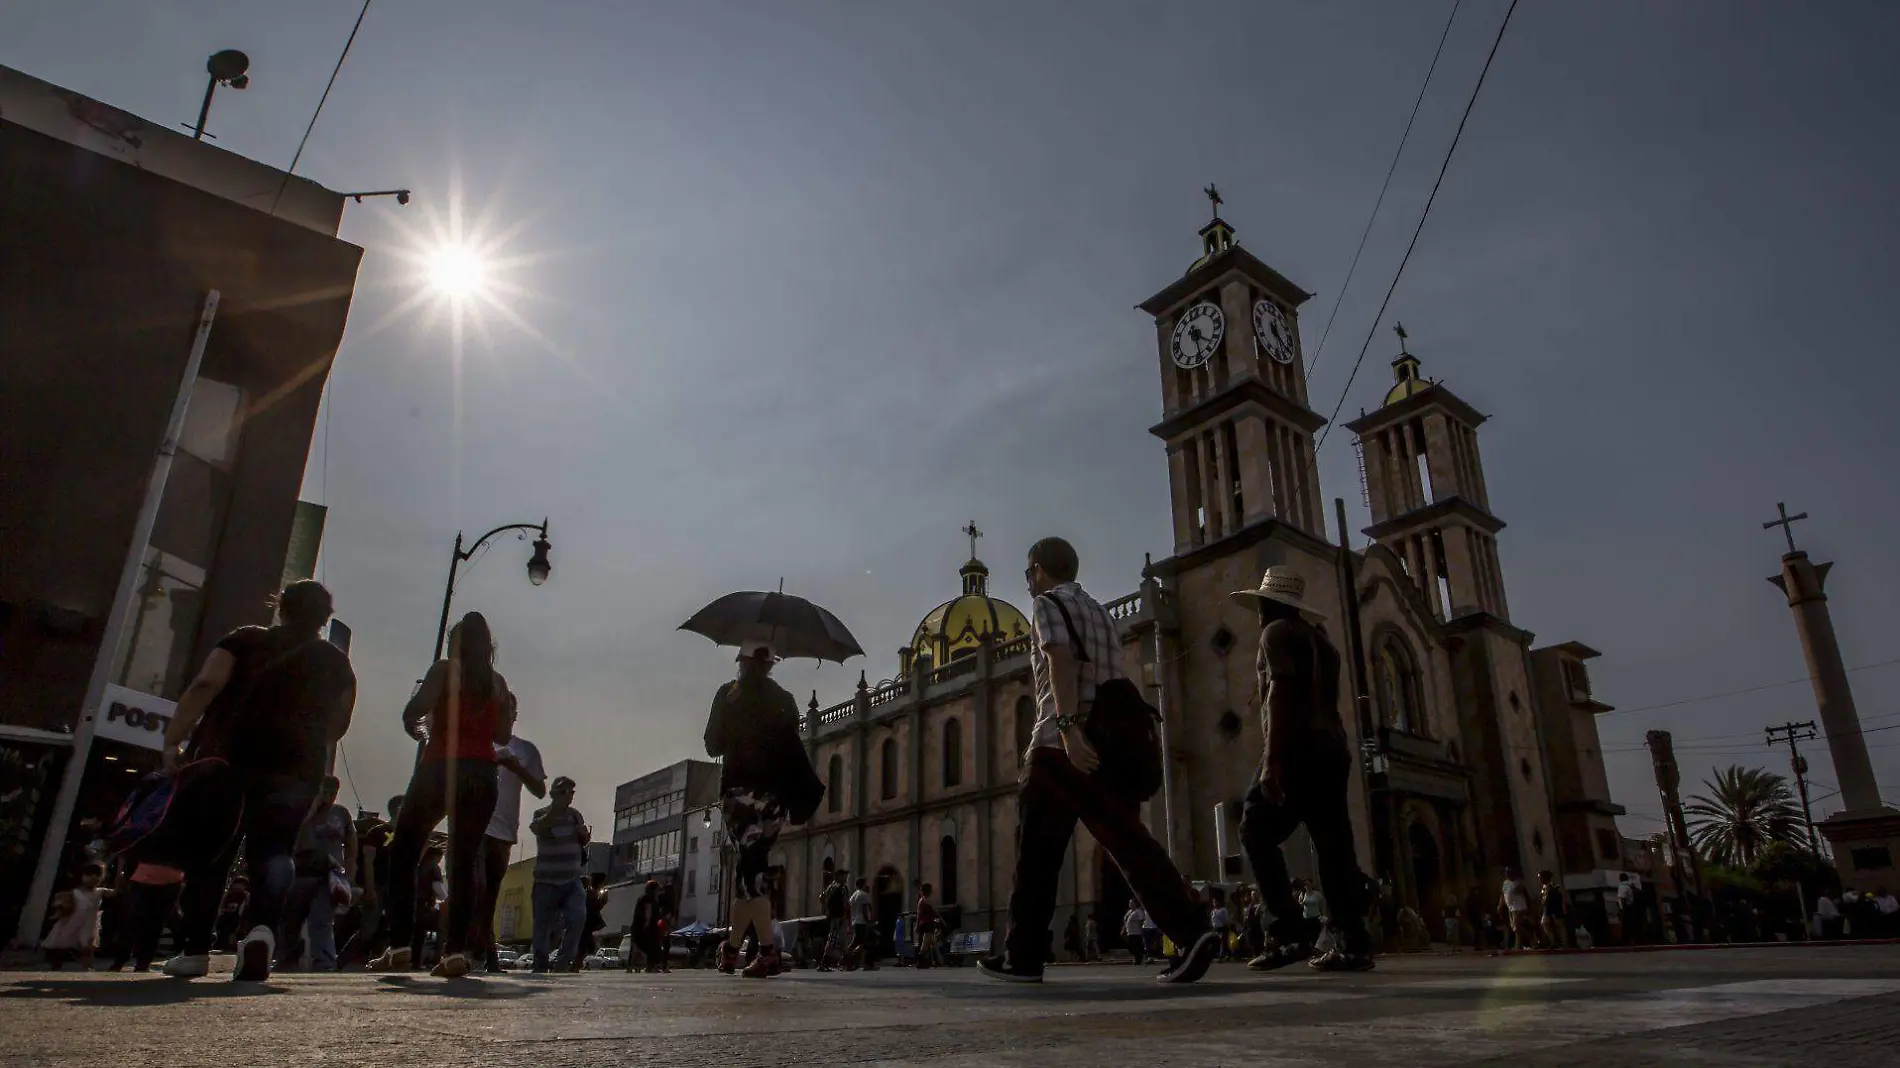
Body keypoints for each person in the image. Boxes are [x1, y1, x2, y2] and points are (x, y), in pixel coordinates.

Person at [980, 537, 1217, 985]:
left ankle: (1023, 957)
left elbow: (1060, 660)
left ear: (1038, 571)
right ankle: (1191, 929)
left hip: (1058, 745)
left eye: (1028, 573)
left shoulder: (1047, 604)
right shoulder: (1101, 613)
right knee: (1128, 840)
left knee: (1036, 854)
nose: (1028, 582)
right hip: (1102, 748)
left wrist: (1068, 728)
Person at [156, 580, 357, 981]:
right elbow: (340, 725)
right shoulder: (336, 662)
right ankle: (261, 932)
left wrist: (173, 739)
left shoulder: (245, 640)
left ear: (280, 606)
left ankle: (195, 948)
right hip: (298, 767)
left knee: (213, 851)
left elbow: (205, 685)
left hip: (232, 758)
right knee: (275, 849)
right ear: (324, 618)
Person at [1232, 566, 1373, 973]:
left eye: (1261, 603)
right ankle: (1352, 941)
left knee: (1254, 831)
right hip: (1334, 748)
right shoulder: (1324, 644)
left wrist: (1273, 759)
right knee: (1333, 847)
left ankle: (1287, 932)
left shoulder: (1275, 633)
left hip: (1297, 745)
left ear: (1270, 604)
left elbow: (1281, 689)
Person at [370, 612, 509, 978]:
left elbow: (413, 711)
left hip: (441, 767)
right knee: (463, 862)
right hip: (483, 774)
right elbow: (504, 736)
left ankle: (399, 945)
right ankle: (455, 952)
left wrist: (419, 730)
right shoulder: (497, 683)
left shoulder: (446, 669)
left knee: (404, 850)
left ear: (455, 643)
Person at [702, 641, 825, 979]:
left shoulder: (728, 694)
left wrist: (731, 712)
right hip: (774, 801)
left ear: (741, 660)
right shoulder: (785, 701)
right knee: (749, 871)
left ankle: (769, 952)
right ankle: (731, 950)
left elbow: (712, 743)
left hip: (740, 796)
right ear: (772, 664)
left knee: (751, 872)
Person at [476, 696, 546, 972]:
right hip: (476, 828)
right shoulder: (477, 743)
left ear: (515, 715)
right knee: (476, 889)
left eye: (509, 712)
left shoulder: (524, 750)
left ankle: (486, 956)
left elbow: (540, 790)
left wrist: (515, 767)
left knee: (490, 895)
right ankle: (471, 951)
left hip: (503, 834)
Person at [279, 775, 356, 971]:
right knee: (291, 918)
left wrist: (349, 874)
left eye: (333, 793)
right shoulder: (304, 811)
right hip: (301, 869)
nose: (328, 797)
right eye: (325, 792)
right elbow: (294, 835)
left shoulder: (341, 814)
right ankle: (286, 959)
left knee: (320, 920)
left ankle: (325, 961)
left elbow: (351, 844)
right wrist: (311, 809)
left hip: (328, 874)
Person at [526, 776, 591, 972]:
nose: (568, 796)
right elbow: (539, 828)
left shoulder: (575, 816)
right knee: (543, 926)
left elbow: (582, 841)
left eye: (571, 792)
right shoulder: (542, 814)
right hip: (546, 879)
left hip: (572, 879)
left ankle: (563, 962)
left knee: (578, 918)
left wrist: (584, 837)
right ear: (554, 793)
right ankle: (540, 963)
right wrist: (556, 808)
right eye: (563, 791)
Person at [43, 863, 112, 969]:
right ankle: (56, 964)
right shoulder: (75, 892)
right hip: (72, 923)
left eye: (97, 875)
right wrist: (61, 907)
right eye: (89, 875)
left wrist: (120, 874)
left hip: (89, 924)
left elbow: (115, 893)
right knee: (63, 945)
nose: (93, 878)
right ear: (82, 876)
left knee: (87, 947)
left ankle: (87, 967)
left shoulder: (100, 892)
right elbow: (64, 904)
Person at [576, 872, 610, 971]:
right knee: (583, 944)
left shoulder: (591, 892)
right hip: (586, 922)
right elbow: (593, 908)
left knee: (584, 944)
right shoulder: (591, 893)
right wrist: (603, 901)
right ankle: (576, 965)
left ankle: (576, 964)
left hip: (586, 922)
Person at [818, 869, 850, 971]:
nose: (846, 878)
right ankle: (825, 963)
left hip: (833, 917)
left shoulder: (830, 887)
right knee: (834, 940)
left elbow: (821, 898)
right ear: (839, 876)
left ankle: (844, 963)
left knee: (838, 940)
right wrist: (846, 917)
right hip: (839, 918)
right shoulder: (842, 888)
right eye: (844, 876)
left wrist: (827, 909)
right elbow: (846, 905)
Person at [632, 879, 664, 972]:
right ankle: (651, 966)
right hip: (646, 927)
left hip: (646, 926)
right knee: (653, 946)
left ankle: (650, 966)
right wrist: (646, 925)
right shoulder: (648, 899)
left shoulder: (649, 898)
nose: (659, 891)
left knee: (652, 946)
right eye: (657, 889)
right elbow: (648, 913)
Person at [1499, 868, 1534, 950]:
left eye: (1509, 873)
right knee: (1514, 926)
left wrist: (1529, 907)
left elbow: (1526, 894)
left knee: (1517, 926)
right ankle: (1530, 939)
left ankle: (1518, 944)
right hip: (1511, 907)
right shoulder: (1506, 883)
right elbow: (1503, 895)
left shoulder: (1518, 883)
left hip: (1519, 907)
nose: (1507, 875)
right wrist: (1500, 905)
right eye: (1506, 873)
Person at [848, 877, 878, 971]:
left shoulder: (853, 896)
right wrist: (869, 921)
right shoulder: (863, 895)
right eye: (866, 884)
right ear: (863, 885)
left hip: (855, 922)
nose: (868, 886)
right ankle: (866, 964)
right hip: (862, 922)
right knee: (868, 942)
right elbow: (865, 909)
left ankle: (850, 961)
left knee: (858, 942)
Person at [1538, 871, 1569, 950]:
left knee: (1560, 924)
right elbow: (1543, 899)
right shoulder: (1543, 887)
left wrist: (1563, 906)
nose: (1539, 879)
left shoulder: (1554, 885)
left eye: (1541, 878)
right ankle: (1553, 942)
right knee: (1544, 924)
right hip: (1547, 908)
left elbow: (1562, 895)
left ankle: (1565, 944)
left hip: (1555, 906)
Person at [917, 883, 942, 968]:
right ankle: (923, 961)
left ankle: (934, 961)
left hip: (928, 924)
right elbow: (919, 915)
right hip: (926, 924)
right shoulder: (924, 901)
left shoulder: (923, 901)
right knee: (927, 942)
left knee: (931, 943)